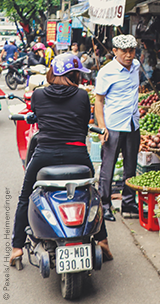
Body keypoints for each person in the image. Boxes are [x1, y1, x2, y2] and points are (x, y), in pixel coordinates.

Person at [9, 53, 112, 268]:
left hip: (44, 155)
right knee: (93, 193)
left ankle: (17, 247)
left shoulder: (37, 95)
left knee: (25, 196)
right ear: (73, 74)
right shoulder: (82, 96)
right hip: (77, 155)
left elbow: (35, 115)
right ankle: (102, 240)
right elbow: (84, 122)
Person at [94, 35, 141, 218]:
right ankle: (104, 206)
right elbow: (98, 101)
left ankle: (128, 203)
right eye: (124, 51)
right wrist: (102, 127)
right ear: (115, 51)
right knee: (108, 168)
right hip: (113, 125)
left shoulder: (136, 66)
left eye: (132, 51)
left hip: (132, 124)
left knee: (131, 166)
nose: (129, 55)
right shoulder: (106, 72)